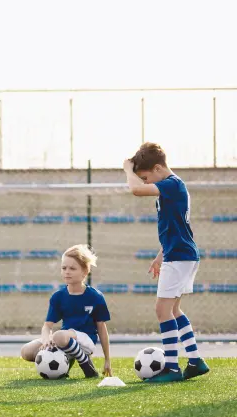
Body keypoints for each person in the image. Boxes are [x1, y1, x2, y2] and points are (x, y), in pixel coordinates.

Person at [124, 142, 209, 382]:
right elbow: (176, 227)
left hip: (181, 256)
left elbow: (135, 191)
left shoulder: (172, 184)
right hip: (180, 254)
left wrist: (127, 170)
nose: (145, 182)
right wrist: (161, 255)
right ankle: (195, 361)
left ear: (159, 168)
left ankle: (171, 368)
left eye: (146, 177)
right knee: (173, 310)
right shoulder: (171, 187)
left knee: (162, 311)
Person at [21, 244, 111, 378]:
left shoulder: (96, 297)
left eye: (72, 268)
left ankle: (85, 362)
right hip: (64, 340)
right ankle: (64, 363)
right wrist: (46, 340)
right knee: (26, 351)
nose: (67, 272)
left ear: (85, 272)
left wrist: (107, 360)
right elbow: (47, 326)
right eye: (64, 268)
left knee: (59, 336)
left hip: (86, 341)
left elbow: (102, 329)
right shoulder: (58, 297)